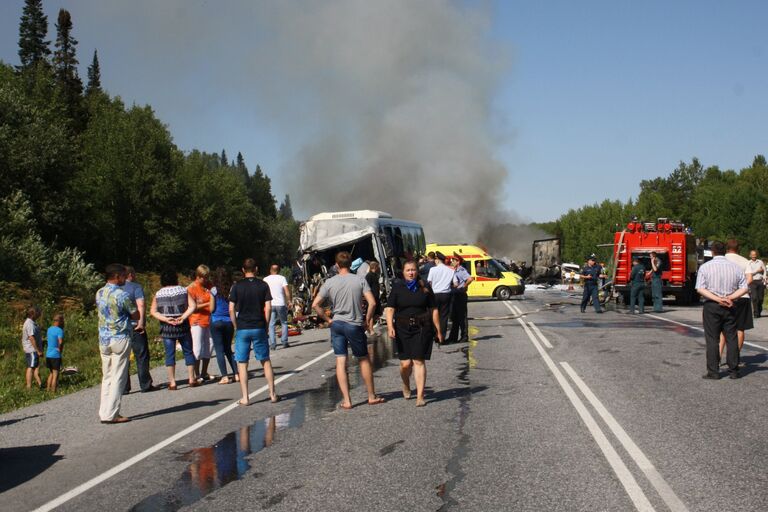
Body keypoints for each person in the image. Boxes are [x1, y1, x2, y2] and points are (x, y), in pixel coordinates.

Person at [312, 251, 384, 409]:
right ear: (351, 264)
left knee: (340, 360)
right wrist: (367, 320)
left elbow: (315, 304)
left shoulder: (329, 282)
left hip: (337, 324)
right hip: (354, 324)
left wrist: (328, 319)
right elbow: (371, 303)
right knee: (363, 359)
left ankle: (347, 400)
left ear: (336, 265)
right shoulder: (359, 280)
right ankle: (371, 396)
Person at [386, 260, 442, 406]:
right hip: (402, 328)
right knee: (405, 364)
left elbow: (434, 309)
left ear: (417, 271)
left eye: (413, 270)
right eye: (408, 270)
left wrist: (438, 330)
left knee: (418, 360)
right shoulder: (398, 287)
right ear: (403, 272)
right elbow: (390, 308)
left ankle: (420, 396)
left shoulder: (425, 286)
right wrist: (389, 326)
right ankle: (406, 384)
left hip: (422, 327)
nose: (411, 273)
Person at [229, 258, 279, 406]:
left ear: (243, 270)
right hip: (258, 326)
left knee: (242, 362)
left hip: (243, 327)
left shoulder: (236, 286)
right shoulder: (263, 285)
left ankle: (245, 397)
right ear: (256, 269)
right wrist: (266, 323)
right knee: (265, 360)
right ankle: (272, 394)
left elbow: (231, 308)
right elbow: (268, 307)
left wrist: (235, 324)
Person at [695, 240, 748, 379]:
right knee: (731, 337)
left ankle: (713, 371)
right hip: (730, 305)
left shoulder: (705, 267)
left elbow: (700, 288)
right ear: (725, 251)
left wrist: (717, 298)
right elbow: (744, 287)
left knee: (712, 339)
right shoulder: (735, 267)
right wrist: (730, 297)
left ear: (712, 251)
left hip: (712, 305)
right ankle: (734, 370)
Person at [96, 264, 139, 423]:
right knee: (118, 376)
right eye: (122, 275)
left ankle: (103, 411)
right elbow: (135, 314)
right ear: (116, 276)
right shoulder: (122, 295)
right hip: (120, 337)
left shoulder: (99, 293)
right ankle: (112, 414)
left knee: (106, 376)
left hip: (104, 338)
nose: (124, 278)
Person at [151, 268, 197, 391]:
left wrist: (166, 319)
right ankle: (191, 378)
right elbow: (193, 306)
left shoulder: (158, 294)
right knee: (188, 351)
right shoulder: (183, 290)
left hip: (167, 328)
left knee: (170, 354)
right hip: (183, 326)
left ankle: (172, 382)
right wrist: (183, 316)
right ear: (175, 279)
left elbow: (153, 311)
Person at [121, 266, 156, 393]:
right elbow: (140, 304)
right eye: (134, 274)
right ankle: (145, 384)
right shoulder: (136, 287)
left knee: (124, 357)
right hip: (135, 325)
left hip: (121, 328)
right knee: (141, 355)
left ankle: (124, 387)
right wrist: (141, 322)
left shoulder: (116, 289)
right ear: (130, 274)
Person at [718, 239, 754, 363]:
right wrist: (740, 289)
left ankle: (718, 356)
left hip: (725, 296)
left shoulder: (722, 259)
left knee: (722, 330)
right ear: (738, 249)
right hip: (742, 297)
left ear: (726, 248)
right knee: (740, 329)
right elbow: (749, 278)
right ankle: (735, 357)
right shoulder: (745, 261)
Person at [210, 267, 238, 384]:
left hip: (216, 321)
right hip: (229, 322)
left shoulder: (214, 290)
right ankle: (237, 374)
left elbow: (212, 308)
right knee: (228, 349)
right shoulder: (232, 289)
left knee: (219, 350)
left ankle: (225, 376)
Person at [188, 265, 215, 382]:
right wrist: (207, 304)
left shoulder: (210, 286)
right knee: (197, 349)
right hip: (196, 321)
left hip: (209, 320)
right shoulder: (191, 288)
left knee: (209, 346)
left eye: (207, 277)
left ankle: (204, 372)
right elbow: (192, 307)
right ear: (198, 276)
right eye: (204, 277)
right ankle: (196, 374)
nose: (206, 279)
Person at [427, 251, 454, 341]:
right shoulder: (450, 270)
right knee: (444, 316)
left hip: (435, 294)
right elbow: (456, 283)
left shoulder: (432, 270)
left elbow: (429, 283)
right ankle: (442, 337)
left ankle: (436, 335)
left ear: (437, 260)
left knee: (434, 315)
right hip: (446, 294)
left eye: (435, 259)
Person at [264, 265, 292, 350]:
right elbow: (286, 291)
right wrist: (289, 301)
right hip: (280, 303)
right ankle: (284, 341)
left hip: (270, 304)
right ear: (279, 270)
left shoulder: (265, 279)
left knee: (271, 324)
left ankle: (272, 344)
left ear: (270, 270)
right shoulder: (282, 278)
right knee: (284, 322)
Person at [447, 256, 473, 343]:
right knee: (455, 317)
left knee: (462, 317)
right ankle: (453, 337)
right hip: (454, 294)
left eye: (453, 260)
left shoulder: (461, 270)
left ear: (458, 262)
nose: (452, 261)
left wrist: (464, 286)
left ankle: (464, 336)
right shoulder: (454, 270)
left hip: (460, 294)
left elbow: (470, 279)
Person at [21, 306, 43, 389]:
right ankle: (29, 387)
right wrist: (37, 350)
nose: (39, 315)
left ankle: (40, 384)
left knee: (36, 366)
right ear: (34, 314)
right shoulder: (29, 324)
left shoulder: (32, 322)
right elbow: (31, 337)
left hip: (32, 349)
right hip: (32, 349)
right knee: (31, 367)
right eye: (38, 313)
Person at [45, 314, 64, 392]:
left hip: (48, 354)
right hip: (55, 355)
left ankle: (48, 389)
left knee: (51, 373)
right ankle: (53, 392)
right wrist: (59, 348)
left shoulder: (49, 329)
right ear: (59, 321)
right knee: (55, 374)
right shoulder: (59, 330)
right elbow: (60, 341)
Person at [746, 250, 765, 318]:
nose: (754, 256)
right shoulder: (748, 263)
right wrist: (757, 271)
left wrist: (764, 278)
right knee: (754, 297)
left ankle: (759, 310)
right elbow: (749, 273)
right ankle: (756, 313)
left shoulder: (760, 262)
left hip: (760, 281)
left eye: (755, 255)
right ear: (750, 255)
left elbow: (764, 270)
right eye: (752, 255)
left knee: (760, 298)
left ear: (756, 255)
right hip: (752, 282)